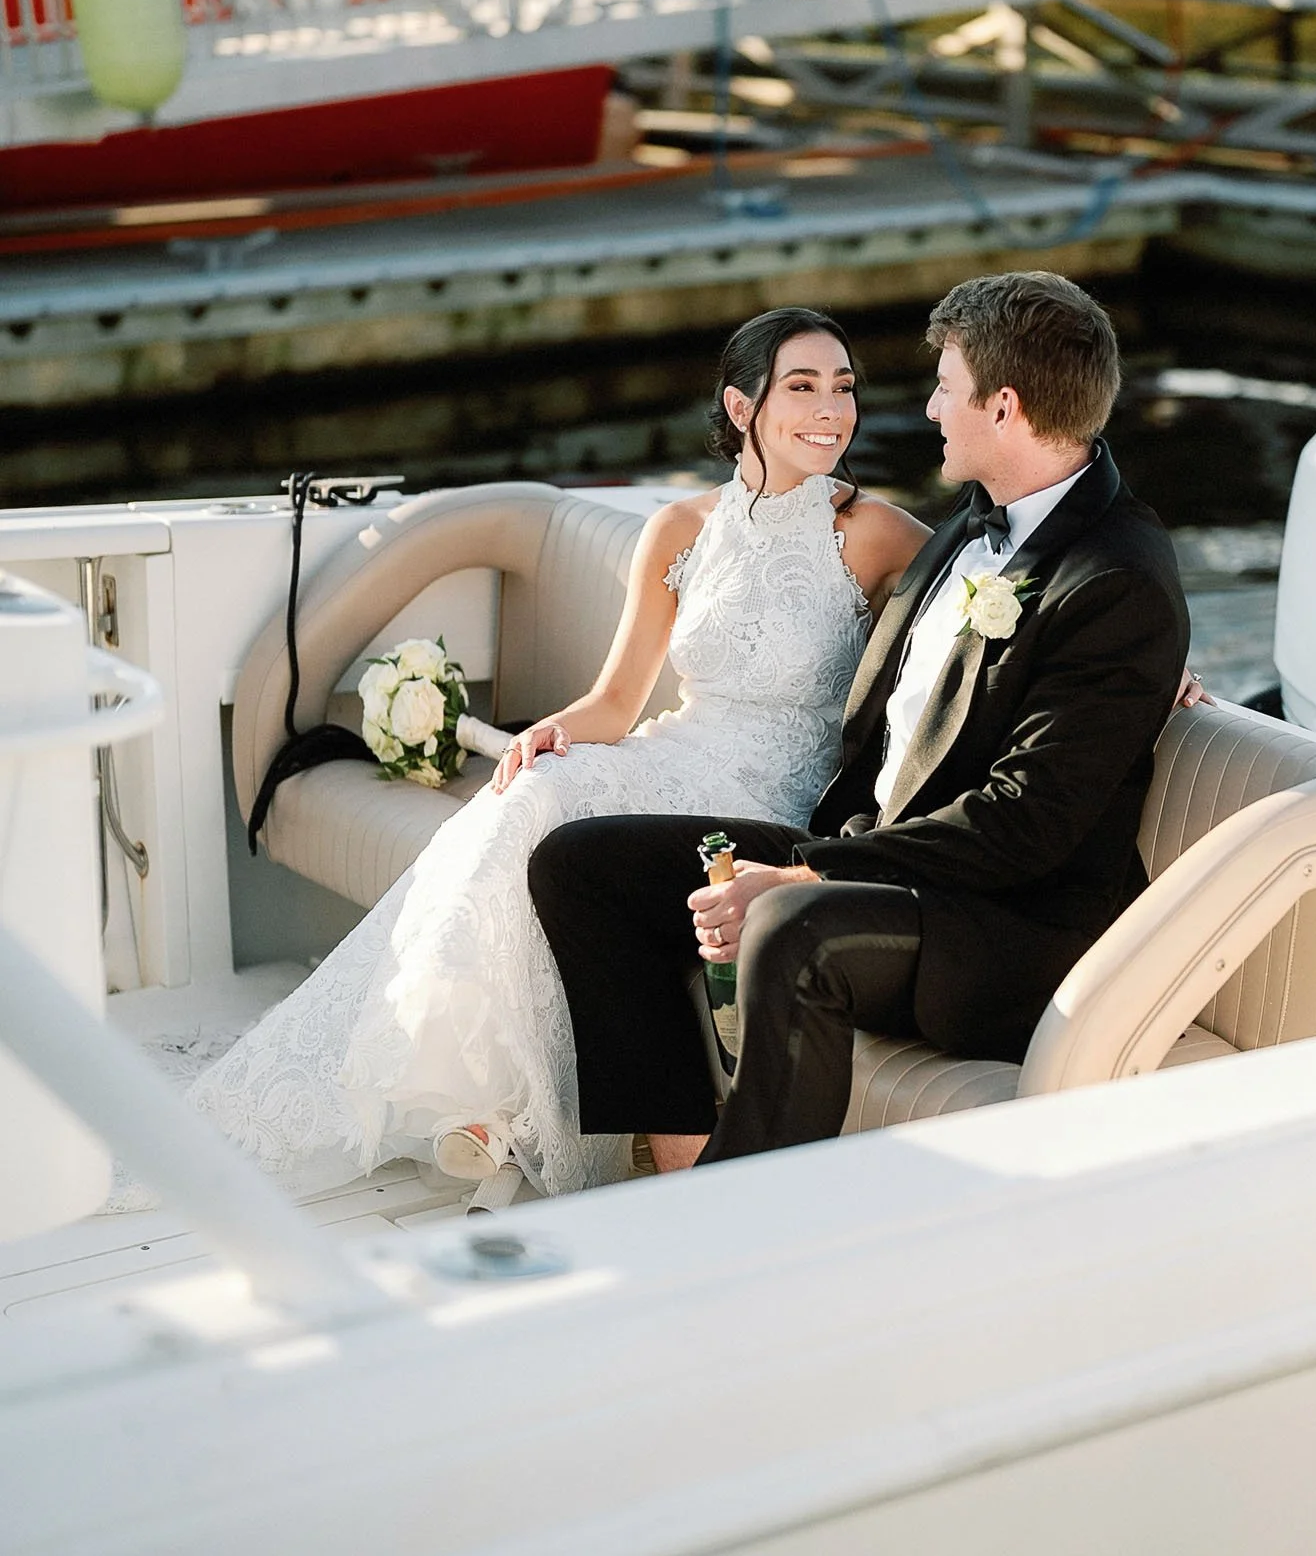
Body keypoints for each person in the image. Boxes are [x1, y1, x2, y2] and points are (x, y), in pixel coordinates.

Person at [190, 309, 928, 1197]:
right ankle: (479, 1095)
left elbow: (964, 628)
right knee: (525, 798)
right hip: (674, 753)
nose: (831, 410)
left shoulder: (880, 532)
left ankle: (506, 1111)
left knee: (554, 830)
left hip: (771, 795)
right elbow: (618, 700)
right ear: (741, 407)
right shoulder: (679, 530)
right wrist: (555, 731)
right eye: (802, 387)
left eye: (843, 387)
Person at [529, 270, 1192, 1172]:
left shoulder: (1118, 582)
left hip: (1009, 927)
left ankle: (742, 1217)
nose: (928, 411)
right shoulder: (978, 520)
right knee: (581, 866)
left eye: (946, 390)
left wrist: (803, 870)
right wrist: (817, 854)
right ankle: (684, 1158)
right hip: (885, 855)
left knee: (797, 933)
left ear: (1003, 408)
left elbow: (1023, 826)